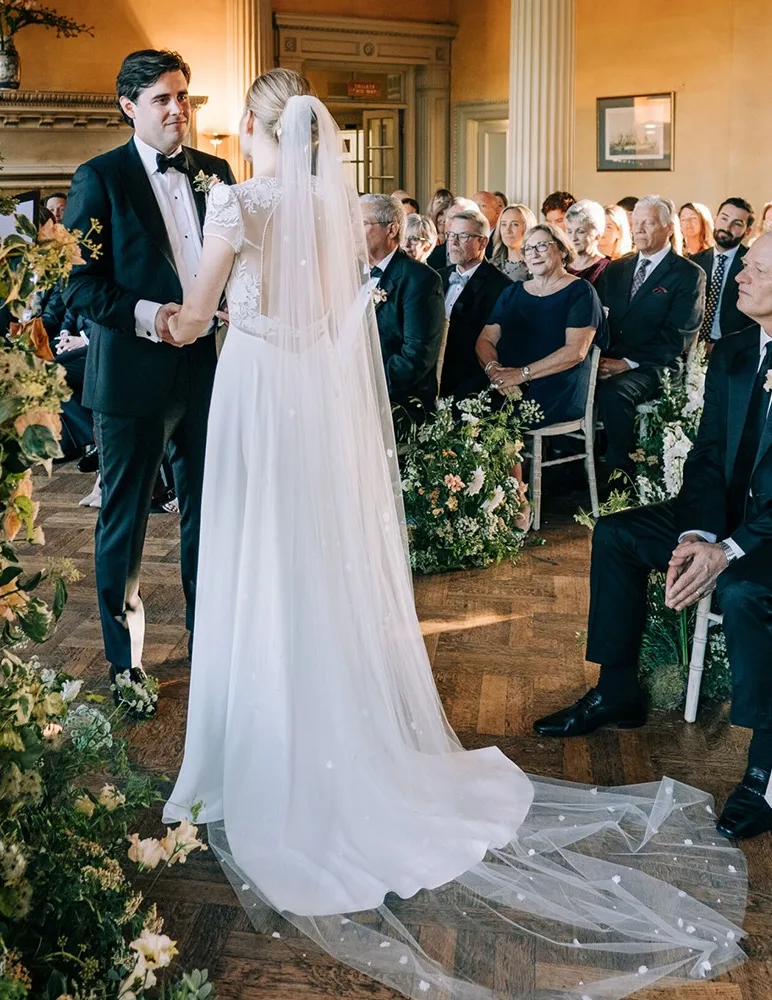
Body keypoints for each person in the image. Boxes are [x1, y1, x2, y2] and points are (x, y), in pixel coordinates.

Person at [158, 68, 746, 997]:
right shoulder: (324, 206)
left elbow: (194, 317)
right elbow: (332, 323)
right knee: (308, 564)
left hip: (252, 397)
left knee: (253, 562)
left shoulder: (238, 202)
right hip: (304, 403)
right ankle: (333, 730)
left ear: (249, 125)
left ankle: (254, 748)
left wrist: (176, 315)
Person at [534, 232, 772, 842]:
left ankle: (765, 769)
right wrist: (697, 531)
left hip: (767, 537)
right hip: (720, 517)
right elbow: (710, 454)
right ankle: (617, 690)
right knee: (616, 535)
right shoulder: (739, 350)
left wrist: (729, 551)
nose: (739, 276)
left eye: (756, 267)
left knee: (747, 597)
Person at [61, 49, 234, 706]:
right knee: (125, 522)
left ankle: (208, 640)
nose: (177, 110)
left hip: (208, 372)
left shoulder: (215, 174)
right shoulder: (98, 178)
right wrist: (152, 316)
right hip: (132, 378)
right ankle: (126, 665)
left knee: (208, 514)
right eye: (162, 99)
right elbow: (79, 286)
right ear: (129, 106)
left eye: (183, 97)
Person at [595, 195, 706, 479]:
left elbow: (677, 338)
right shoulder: (617, 268)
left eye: (648, 223)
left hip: (656, 365)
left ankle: (622, 473)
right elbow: (601, 322)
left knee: (614, 393)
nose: (639, 229)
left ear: (668, 227)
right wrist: (597, 360)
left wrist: (627, 363)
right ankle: (575, 465)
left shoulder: (688, 274)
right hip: (611, 359)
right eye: (635, 223)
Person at [477, 223, 603, 427]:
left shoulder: (580, 291)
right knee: (463, 405)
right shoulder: (513, 292)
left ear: (562, 250)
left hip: (557, 384)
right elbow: (485, 339)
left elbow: (575, 352)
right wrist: (495, 372)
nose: (534, 253)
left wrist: (520, 374)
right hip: (507, 381)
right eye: (528, 248)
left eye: (542, 246)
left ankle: (510, 458)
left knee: (496, 420)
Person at [361, 193, 445, 436]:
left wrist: (363, 387)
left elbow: (415, 358)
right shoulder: (350, 275)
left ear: (392, 229)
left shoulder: (420, 280)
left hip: (395, 402)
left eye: (363, 224)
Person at [438, 207, 511, 399]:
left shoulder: (502, 287)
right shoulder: (437, 277)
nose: (452, 242)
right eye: (450, 234)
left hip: (470, 380)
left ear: (483, 242)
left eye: (462, 236)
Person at [692, 197, 755, 342]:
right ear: (715, 219)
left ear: (747, 231)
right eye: (724, 219)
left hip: (733, 346)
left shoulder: (753, 264)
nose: (727, 228)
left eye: (737, 224)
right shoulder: (694, 261)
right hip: (693, 345)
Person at [564, 199, 610, 286]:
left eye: (580, 231)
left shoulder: (607, 269)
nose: (573, 238)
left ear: (597, 235)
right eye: (569, 231)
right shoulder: (561, 265)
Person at [490, 202, 536, 282]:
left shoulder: (536, 268)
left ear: (527, 228)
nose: (507, 230)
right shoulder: (491, 265)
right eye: (503, 224)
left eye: (515, 224)